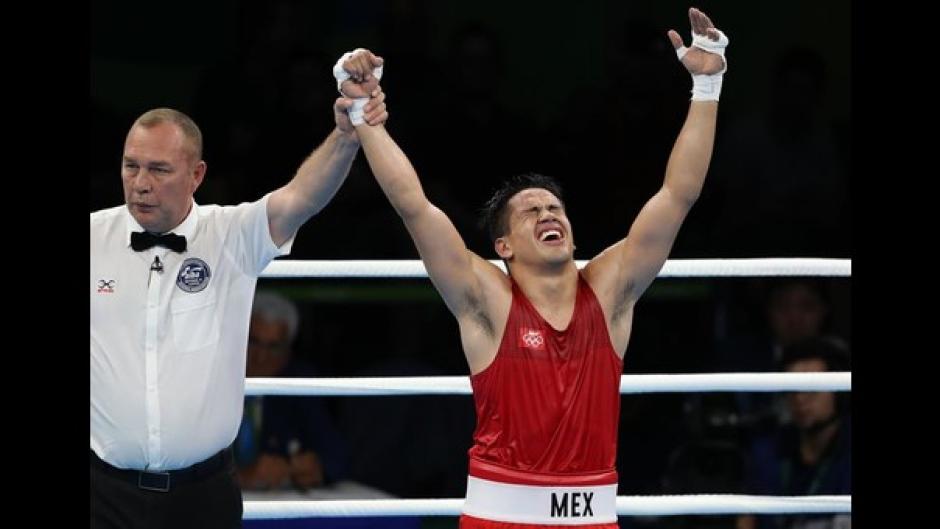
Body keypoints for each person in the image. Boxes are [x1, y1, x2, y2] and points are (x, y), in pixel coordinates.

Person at [344, 8, 729, 528]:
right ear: (503, 245)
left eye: (555, 208)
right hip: (498, 516)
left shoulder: (611, 290)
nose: (548, 214)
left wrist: (707, 87)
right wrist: (365, 111)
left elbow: (678, 195)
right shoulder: (487, 299)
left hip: (593, 517)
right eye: (531, 211)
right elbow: (414, 205)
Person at [90, 50, 387, 529]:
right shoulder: (92, 238)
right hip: (102, 494)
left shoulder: (231, 235)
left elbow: (302, 197)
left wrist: (347, 132)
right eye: (131, 167)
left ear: (197, 175)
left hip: (203, 497)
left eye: (159, 170)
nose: (140, 184)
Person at [234, 291, 349, 491]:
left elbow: (336, 457)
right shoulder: (213, 379)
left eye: (273, 347)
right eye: (253, 342)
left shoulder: (298, 383)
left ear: (288, 352)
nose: (260, 357)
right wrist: (239, 476)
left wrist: (314, 468)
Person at [738, 338, 852, 529]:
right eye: (793, 388)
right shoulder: (766, 451)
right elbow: (746, 519)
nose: (800, 398)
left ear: (839, 391)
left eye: (812, 388)